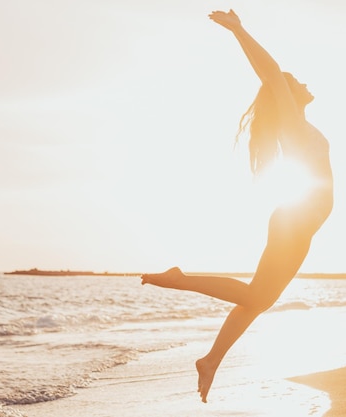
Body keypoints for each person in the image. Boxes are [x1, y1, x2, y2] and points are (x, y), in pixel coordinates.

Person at [140, 9, 334, 403]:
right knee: (258, 297)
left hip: (299, 223)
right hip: (294, 222)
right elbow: (271, 71)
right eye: (296, 82)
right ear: (286, 92)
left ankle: (211, 360)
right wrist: (239, 30)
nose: (303, 83)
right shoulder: (291, 122)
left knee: (257, 300)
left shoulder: (298, 123)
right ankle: (180, 280)